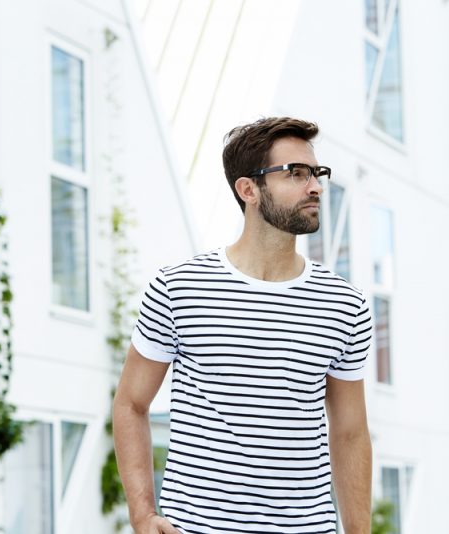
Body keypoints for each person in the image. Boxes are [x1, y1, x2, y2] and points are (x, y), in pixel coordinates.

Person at [113, 117, 373, 534]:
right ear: (248, 189)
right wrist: (142, 515)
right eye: (297, 173)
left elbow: (350, 431)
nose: (316, 187)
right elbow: (130, 404)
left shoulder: (345, 304)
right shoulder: (179, 286)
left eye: (317, 174)